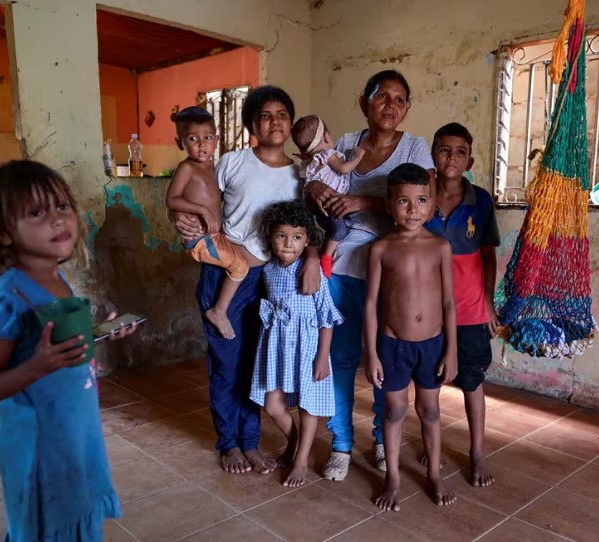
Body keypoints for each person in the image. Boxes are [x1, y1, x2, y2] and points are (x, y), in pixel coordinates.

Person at [0, 160, 138, 541]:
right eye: (36, 212)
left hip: (74, 430)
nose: (58, 219)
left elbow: (55, 342)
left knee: (76, 515)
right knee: (45, 527)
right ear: (4, 233)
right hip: (38, 445)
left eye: (62, 206)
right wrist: (36, 366)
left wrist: (100, 334)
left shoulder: (56, 276)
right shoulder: (8, 296)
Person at [169, 86, 321, 475]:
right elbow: (194, 197)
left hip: (274, 282)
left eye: (282, 114)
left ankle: (250, 441)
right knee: (226, 362)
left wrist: (312, 258)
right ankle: (229, 443)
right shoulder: (230, 163)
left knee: (261, 365)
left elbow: (311, 226)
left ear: (290, 122)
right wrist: (180, 220)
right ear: (252, 124)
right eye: (265, 115)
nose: (275, 121)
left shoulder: (301, 174)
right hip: (225, 274)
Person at [305, 70, 435, 480]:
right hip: (342, 266)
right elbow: (315, 180)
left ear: (407, 108)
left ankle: (382, 439)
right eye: (382, 97)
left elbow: (424, 200)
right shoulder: (343, 143)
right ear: (365, 102)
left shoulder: (415, 147)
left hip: (393, 272)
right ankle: (341, 442)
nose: (390, 105)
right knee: (340, 358)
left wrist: (364, 199)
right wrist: (314, 190)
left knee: (386, 363)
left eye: (399, 99)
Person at [364, 163, 457, 511]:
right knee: (394, 409)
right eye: (403, 201)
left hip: (432, 344)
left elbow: (449, 302)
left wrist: (453, 350)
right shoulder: (381, 249)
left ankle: (434, 473)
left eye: (421, 200)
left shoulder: (440, 247)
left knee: (430, 411)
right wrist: (371, 353)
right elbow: (371, 303)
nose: (413, 209)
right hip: (392, 345)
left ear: (431, 204)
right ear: (389, 205)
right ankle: (393, 479)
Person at [425, 123, 500, 487]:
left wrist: (487, 301)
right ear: (433, 154)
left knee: (471, 379)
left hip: (469, 308)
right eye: (443, 150)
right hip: (427, 309)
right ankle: (433, 444)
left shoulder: (481, 201)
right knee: (429, 382)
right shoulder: (421, 197)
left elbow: (488, 255)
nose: (451, 157)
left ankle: (477, 452)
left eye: (459, 151)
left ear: (469, 158)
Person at [249, 200, 344, 488]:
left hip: (309, 348)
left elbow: (326, 318)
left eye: (297, 237)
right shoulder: (268, 270)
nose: (288, 244)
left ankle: (301, 459)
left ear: (306, 241)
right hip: (277, 347)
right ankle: (298, 442)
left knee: (308, 404)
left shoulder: (310, 271)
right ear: (270, 237)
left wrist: (322, 356)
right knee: (272, 404)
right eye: (281, 236)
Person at [165, 106, 249, 340]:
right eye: (192, 138)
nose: (201, 145)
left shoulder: (215, 167)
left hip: (215, 235)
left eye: (207, 138)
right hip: (200, 239)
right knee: (240, 266)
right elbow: (171, 199)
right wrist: (201, 210)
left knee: (241, 261)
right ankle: (218, 311)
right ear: (179, 142)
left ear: (217, 139)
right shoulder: (187, 168)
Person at [292, 115, 366, 277]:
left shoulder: (309, 163)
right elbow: (344, 168)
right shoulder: (327, 154)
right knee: (339, 232)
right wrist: (358, 156)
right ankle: (326, 256)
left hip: (321, 210)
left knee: (332, 230)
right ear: (326, 136)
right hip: (333, 206)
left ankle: (324, 251)